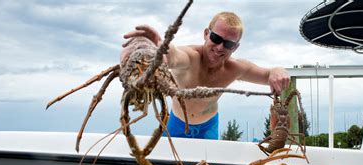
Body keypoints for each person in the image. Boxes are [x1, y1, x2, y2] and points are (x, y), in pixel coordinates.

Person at [123, 11, 290, 139]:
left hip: (209, 127)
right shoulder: (191, 57)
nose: (219, 47)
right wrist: (160, 48)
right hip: (176, 124)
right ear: (206, 34)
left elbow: (268, 74)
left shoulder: (235, 68)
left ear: (235, 47)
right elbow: (174, 55)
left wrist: (278, 70)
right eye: (216, 38)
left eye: (229, 44)